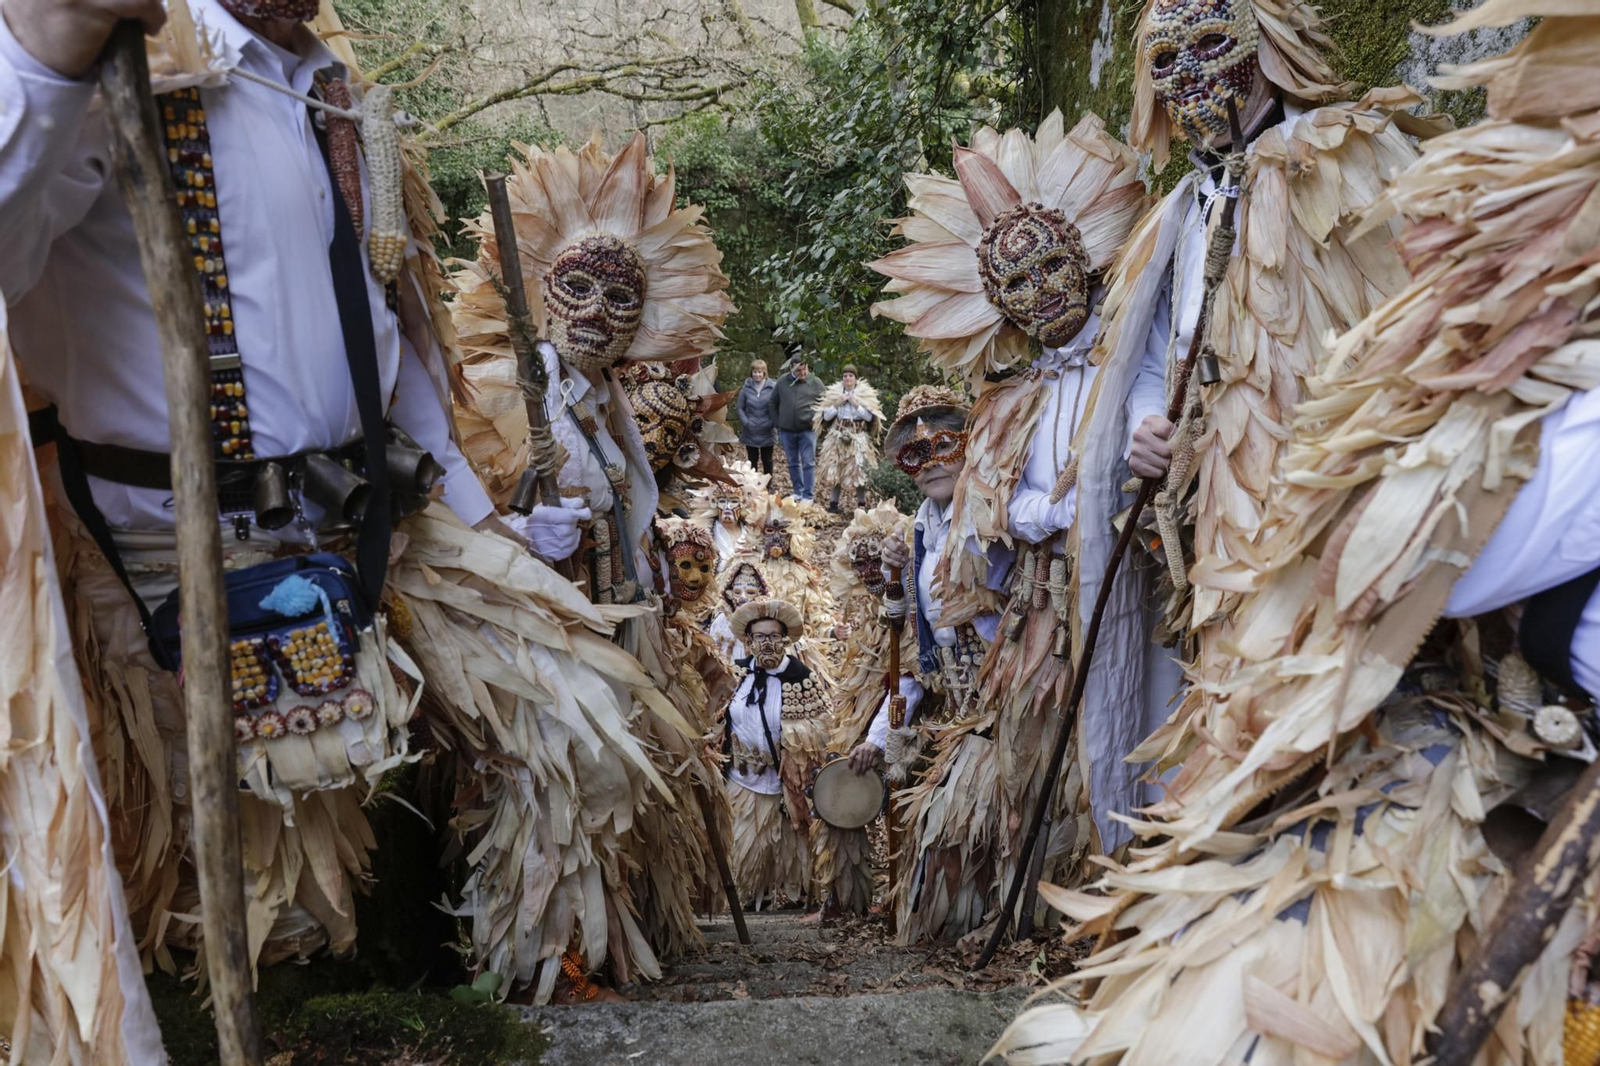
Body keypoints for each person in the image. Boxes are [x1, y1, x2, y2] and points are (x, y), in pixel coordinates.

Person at [993, 4, 1600, 1061]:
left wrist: (1329, 463)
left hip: (1314, 523)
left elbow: (1399, 329)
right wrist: (1148, 428)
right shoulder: (1180, 209)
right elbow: (1151, 358)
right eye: (1165, 59)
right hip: (1206, 530)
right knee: (1211, 709)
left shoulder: (1340, 155)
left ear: (1271, 49)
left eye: (1209, 48)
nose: (1189, 79)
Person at [0, 0, 628, 993]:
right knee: (251, 902)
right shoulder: (112, 55)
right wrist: (44, 54)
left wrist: (479, 509)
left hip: (377, 516)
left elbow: (393, 326)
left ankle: (526, 994)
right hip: (178, 552)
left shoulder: (336, 84)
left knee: (579, 725)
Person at [446, 132, 740, 996]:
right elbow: (447, 505)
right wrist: (514, 531)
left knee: (621, 773)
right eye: (578, 287)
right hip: (541, 623)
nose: (600, 311)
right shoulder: (506, 387)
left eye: (623, 297)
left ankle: (603, 943)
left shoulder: (602, 402)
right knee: (563, 772)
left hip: (612, 618)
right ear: (538, 292)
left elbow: (628, 504)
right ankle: (548, 956)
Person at [870, 111, 1151, 901]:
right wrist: (1044, 515)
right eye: (1017, 284)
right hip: (1041, 612)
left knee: (1131, 726)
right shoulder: (1013, 400)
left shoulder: (1132, 360)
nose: (1043, 292)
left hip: (1128, 584)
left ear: (1086, 258)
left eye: (1053, 266)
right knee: (1052, 752)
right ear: (999, 304)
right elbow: (1000, 507)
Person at [844, 387, 1003, 944]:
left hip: (1004, 703)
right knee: (932, 830)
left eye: (943, 443)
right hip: (954, 709)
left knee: (960, 823)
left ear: (968, 447)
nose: (930, 461)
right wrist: (879, 731)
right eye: (914, 454)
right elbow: (914, 659)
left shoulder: (992, 509)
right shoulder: (918, 531)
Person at [721, 598, 833, 910]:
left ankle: (794, 895)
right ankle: (753, 895)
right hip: (742, 777)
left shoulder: (801, 676)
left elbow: (823, 721)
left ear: (784, 639)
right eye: (760, 637)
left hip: (784, 780)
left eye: (773, 637)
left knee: (789, 839)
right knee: (746, 840)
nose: (767, 644)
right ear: (748, 641)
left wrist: (796, 742)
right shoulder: (736, 674)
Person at [814, 365, 884, 514]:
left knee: (859, 472)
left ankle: (861, 504)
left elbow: (870, 417)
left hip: (858, 437)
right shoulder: (834, 394)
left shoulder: (865, 395)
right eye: (845, 376)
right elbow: (826, 417)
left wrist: (855, 403)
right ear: (842, 379)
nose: (847, 378)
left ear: (855, 378)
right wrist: (838, 403)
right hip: (837, 436)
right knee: (836, 470)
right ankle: (833, 504)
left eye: (850, 376)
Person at [773, 353, 825, 502]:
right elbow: (772, 403)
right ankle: (798, 491)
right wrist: (778, 422)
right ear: (791, 368)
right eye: (798, 371)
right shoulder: (782, 382)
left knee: (808, 462)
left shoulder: (816, 382)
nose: (802, 373)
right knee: (792, 462)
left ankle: (808, 495)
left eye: (804, 369)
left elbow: (826, 404)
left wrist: (819, 422)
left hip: (808, 430)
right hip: (787, 431)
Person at [736, 358, 777, 474]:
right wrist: (747, 423)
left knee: (767, 460)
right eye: (755, 372)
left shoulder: (773, 388)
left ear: (764, 373)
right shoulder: (745, 389)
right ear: (751, 373)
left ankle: (767, 486)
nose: (757, 374)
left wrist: (771, 423)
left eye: (760, 372)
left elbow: (777, 408)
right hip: (750, 430)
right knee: (752, 461)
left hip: (767, 431)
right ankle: (753, 485)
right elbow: (740, 408)